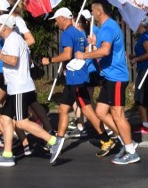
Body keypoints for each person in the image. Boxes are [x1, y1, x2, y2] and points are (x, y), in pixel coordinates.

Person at [0, 15, 64, 167]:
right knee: (6, 119)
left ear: (5, 26)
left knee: (21, 123)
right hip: (16, 87)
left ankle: (53, 141)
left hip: (20, 87)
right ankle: (7, 155)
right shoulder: (14, 39)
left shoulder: (13, 39)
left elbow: (13, 60)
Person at [75, 0, 139, 165]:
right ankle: (126, 140)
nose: (92, 14)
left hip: (116, 78)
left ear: (99, 11)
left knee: (118, 116)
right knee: (101, 112)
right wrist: (95, 42)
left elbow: (105, 51)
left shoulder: (108, 27)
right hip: (109, 77)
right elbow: (106, 47)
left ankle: (131, 150)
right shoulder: (106, 27)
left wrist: (84, 55)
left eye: (93, 10)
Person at [41, 7, 107, 144]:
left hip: (75, 77)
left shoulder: (67, 34)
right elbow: (81, 51)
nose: (55, 23)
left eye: (56, 20)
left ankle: (105, 138)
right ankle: (58, 140)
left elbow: (67, 54)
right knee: (63, 108)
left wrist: (50, 60)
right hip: (75, 76)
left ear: (63, 19)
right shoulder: (79, 33)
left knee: (87, 110)